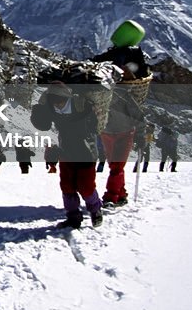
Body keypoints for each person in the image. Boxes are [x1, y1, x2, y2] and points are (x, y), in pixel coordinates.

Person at [31, 82, 104, 229]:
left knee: (86, 187)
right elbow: (43, 125)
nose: (57, 105)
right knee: (67, 187)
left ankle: (95, 210)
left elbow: (94, 127)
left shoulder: (81, 105)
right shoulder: (52, 108)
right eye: (54, 102)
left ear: (66, 97)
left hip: (86, 153)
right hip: (66, 152)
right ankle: (73, 217)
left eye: (59, 101)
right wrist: (38, 109)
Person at [99, 71, 146, 207]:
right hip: (119, 133)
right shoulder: (124, 96)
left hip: (113, 134)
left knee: (116, 166)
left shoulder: (107, 95)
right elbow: (139, 117)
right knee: (115, 166)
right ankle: (121, 194)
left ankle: (110, 197)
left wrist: (140, 135)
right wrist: (140, 135)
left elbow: (139, 117)